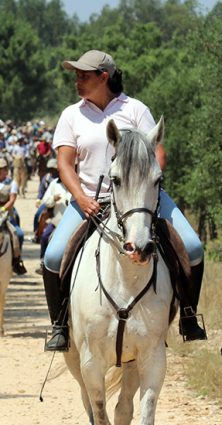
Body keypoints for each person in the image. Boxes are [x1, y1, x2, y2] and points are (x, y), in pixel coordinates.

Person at [41, 50, 207, 352]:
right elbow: (65, 163)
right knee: (53, 257)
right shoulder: (71, 115)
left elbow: (158, 151)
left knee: (193, 247)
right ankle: (59, 325)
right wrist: (80, 197)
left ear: (104, 77)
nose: (77, 80)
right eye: (76, 75)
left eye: (84, 75)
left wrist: (147, 185)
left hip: (141, 199)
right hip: (91, 201)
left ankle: (188, 316)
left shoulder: (135, 110)